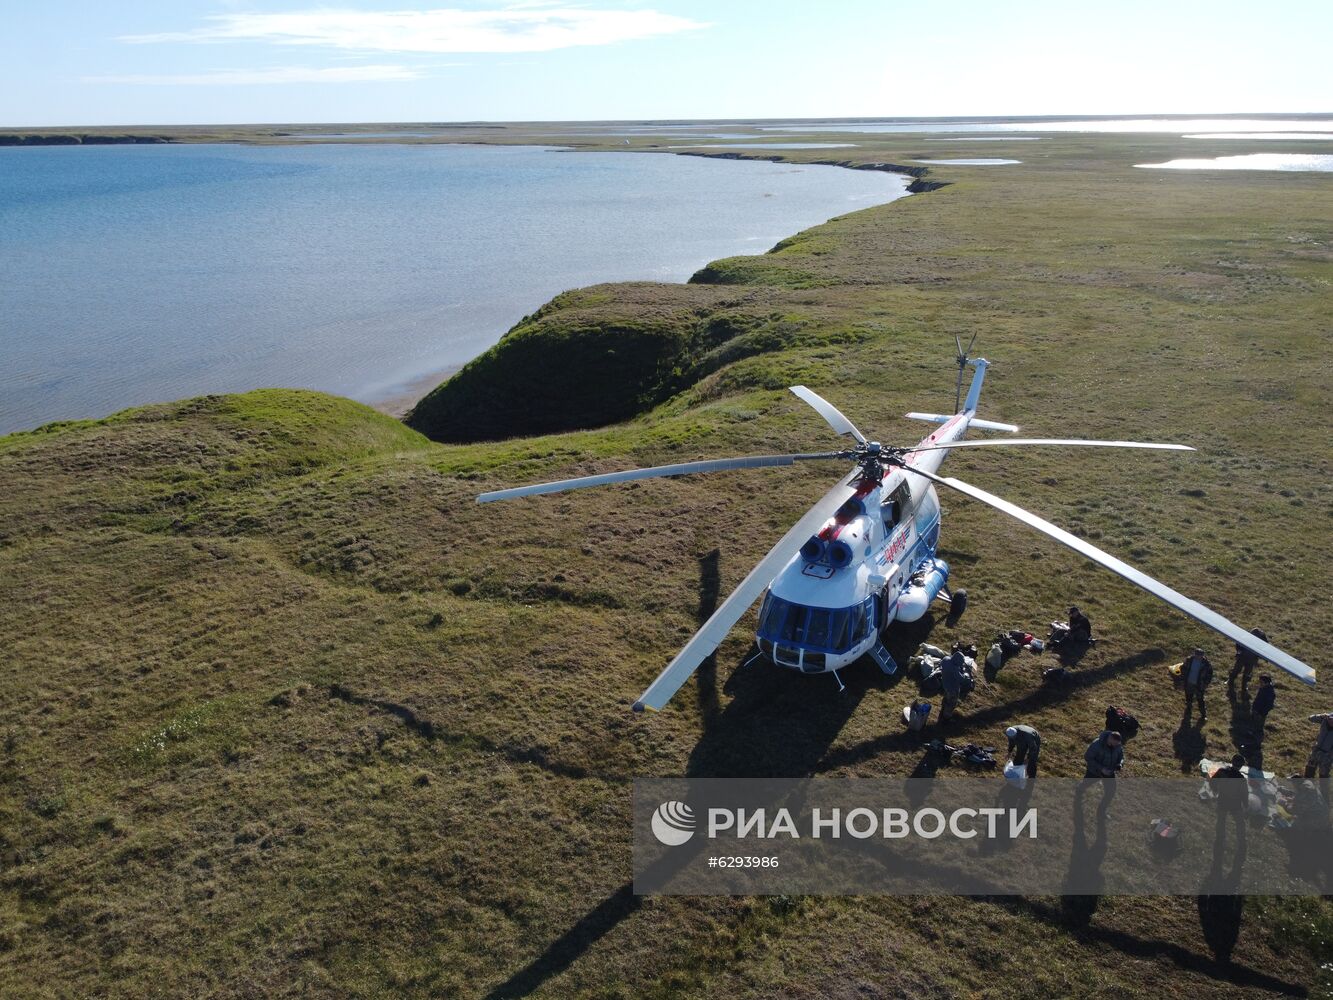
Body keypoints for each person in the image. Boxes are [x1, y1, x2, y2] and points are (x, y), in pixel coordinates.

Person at [938, 643, 969, 722]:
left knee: (946, 697)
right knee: (951, 703)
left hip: (945, 684)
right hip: (953, 688)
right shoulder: (955, 669)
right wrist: (965, 674)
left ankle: (943, 708)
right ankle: (946, 717)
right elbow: (961, 679)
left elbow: (941, 664)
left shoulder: (946, 659)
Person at [1181, 647, 1214, 721]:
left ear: (1202, 655)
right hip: (1189, 683)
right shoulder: (1189, 660)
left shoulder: (1206, 664)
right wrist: (1183, 678)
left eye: (1200, 655)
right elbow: (1183, 668)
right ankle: (1188, 710)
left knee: (1200, 700)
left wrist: (1206, 684)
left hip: (1199, 685)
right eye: (1196, 654)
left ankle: (1203, 715)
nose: (1198, 656)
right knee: (1188, 697)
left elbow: (1210, 675)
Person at [1305, 712, 1333, 780]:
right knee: (1309, 770)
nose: (1331, 721)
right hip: (1316, 750)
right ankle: (1307, 784)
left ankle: (1323, 787)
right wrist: (1321, 716)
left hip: (1327, 755)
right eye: (1330, 719)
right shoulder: (1325, 719)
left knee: (1323, 775)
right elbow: (1310, 718)